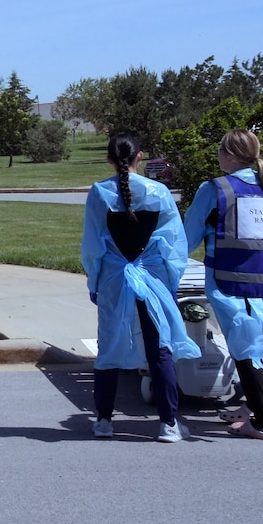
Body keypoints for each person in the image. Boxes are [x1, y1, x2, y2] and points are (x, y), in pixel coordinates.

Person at [182, 129, 263, 440]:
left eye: (220, 150)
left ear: (230, 155)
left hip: (228, 284)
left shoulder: (215, 190)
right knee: (253, 345)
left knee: (245, 350)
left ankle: (262, 421)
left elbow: (187, 237)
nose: (218, 155)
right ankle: (252, 407)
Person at [81, 133, 200, 442]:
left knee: (108, 346)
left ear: (109, 159)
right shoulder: (159, 192)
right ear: (141, 157)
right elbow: (173, 244)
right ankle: (168, 423)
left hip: (114, 277)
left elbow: (93, 245)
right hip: (153, 276)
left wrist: (95, 281)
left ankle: (104, 421)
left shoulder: (99, 193)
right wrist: (170, 284)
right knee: (159, 346)